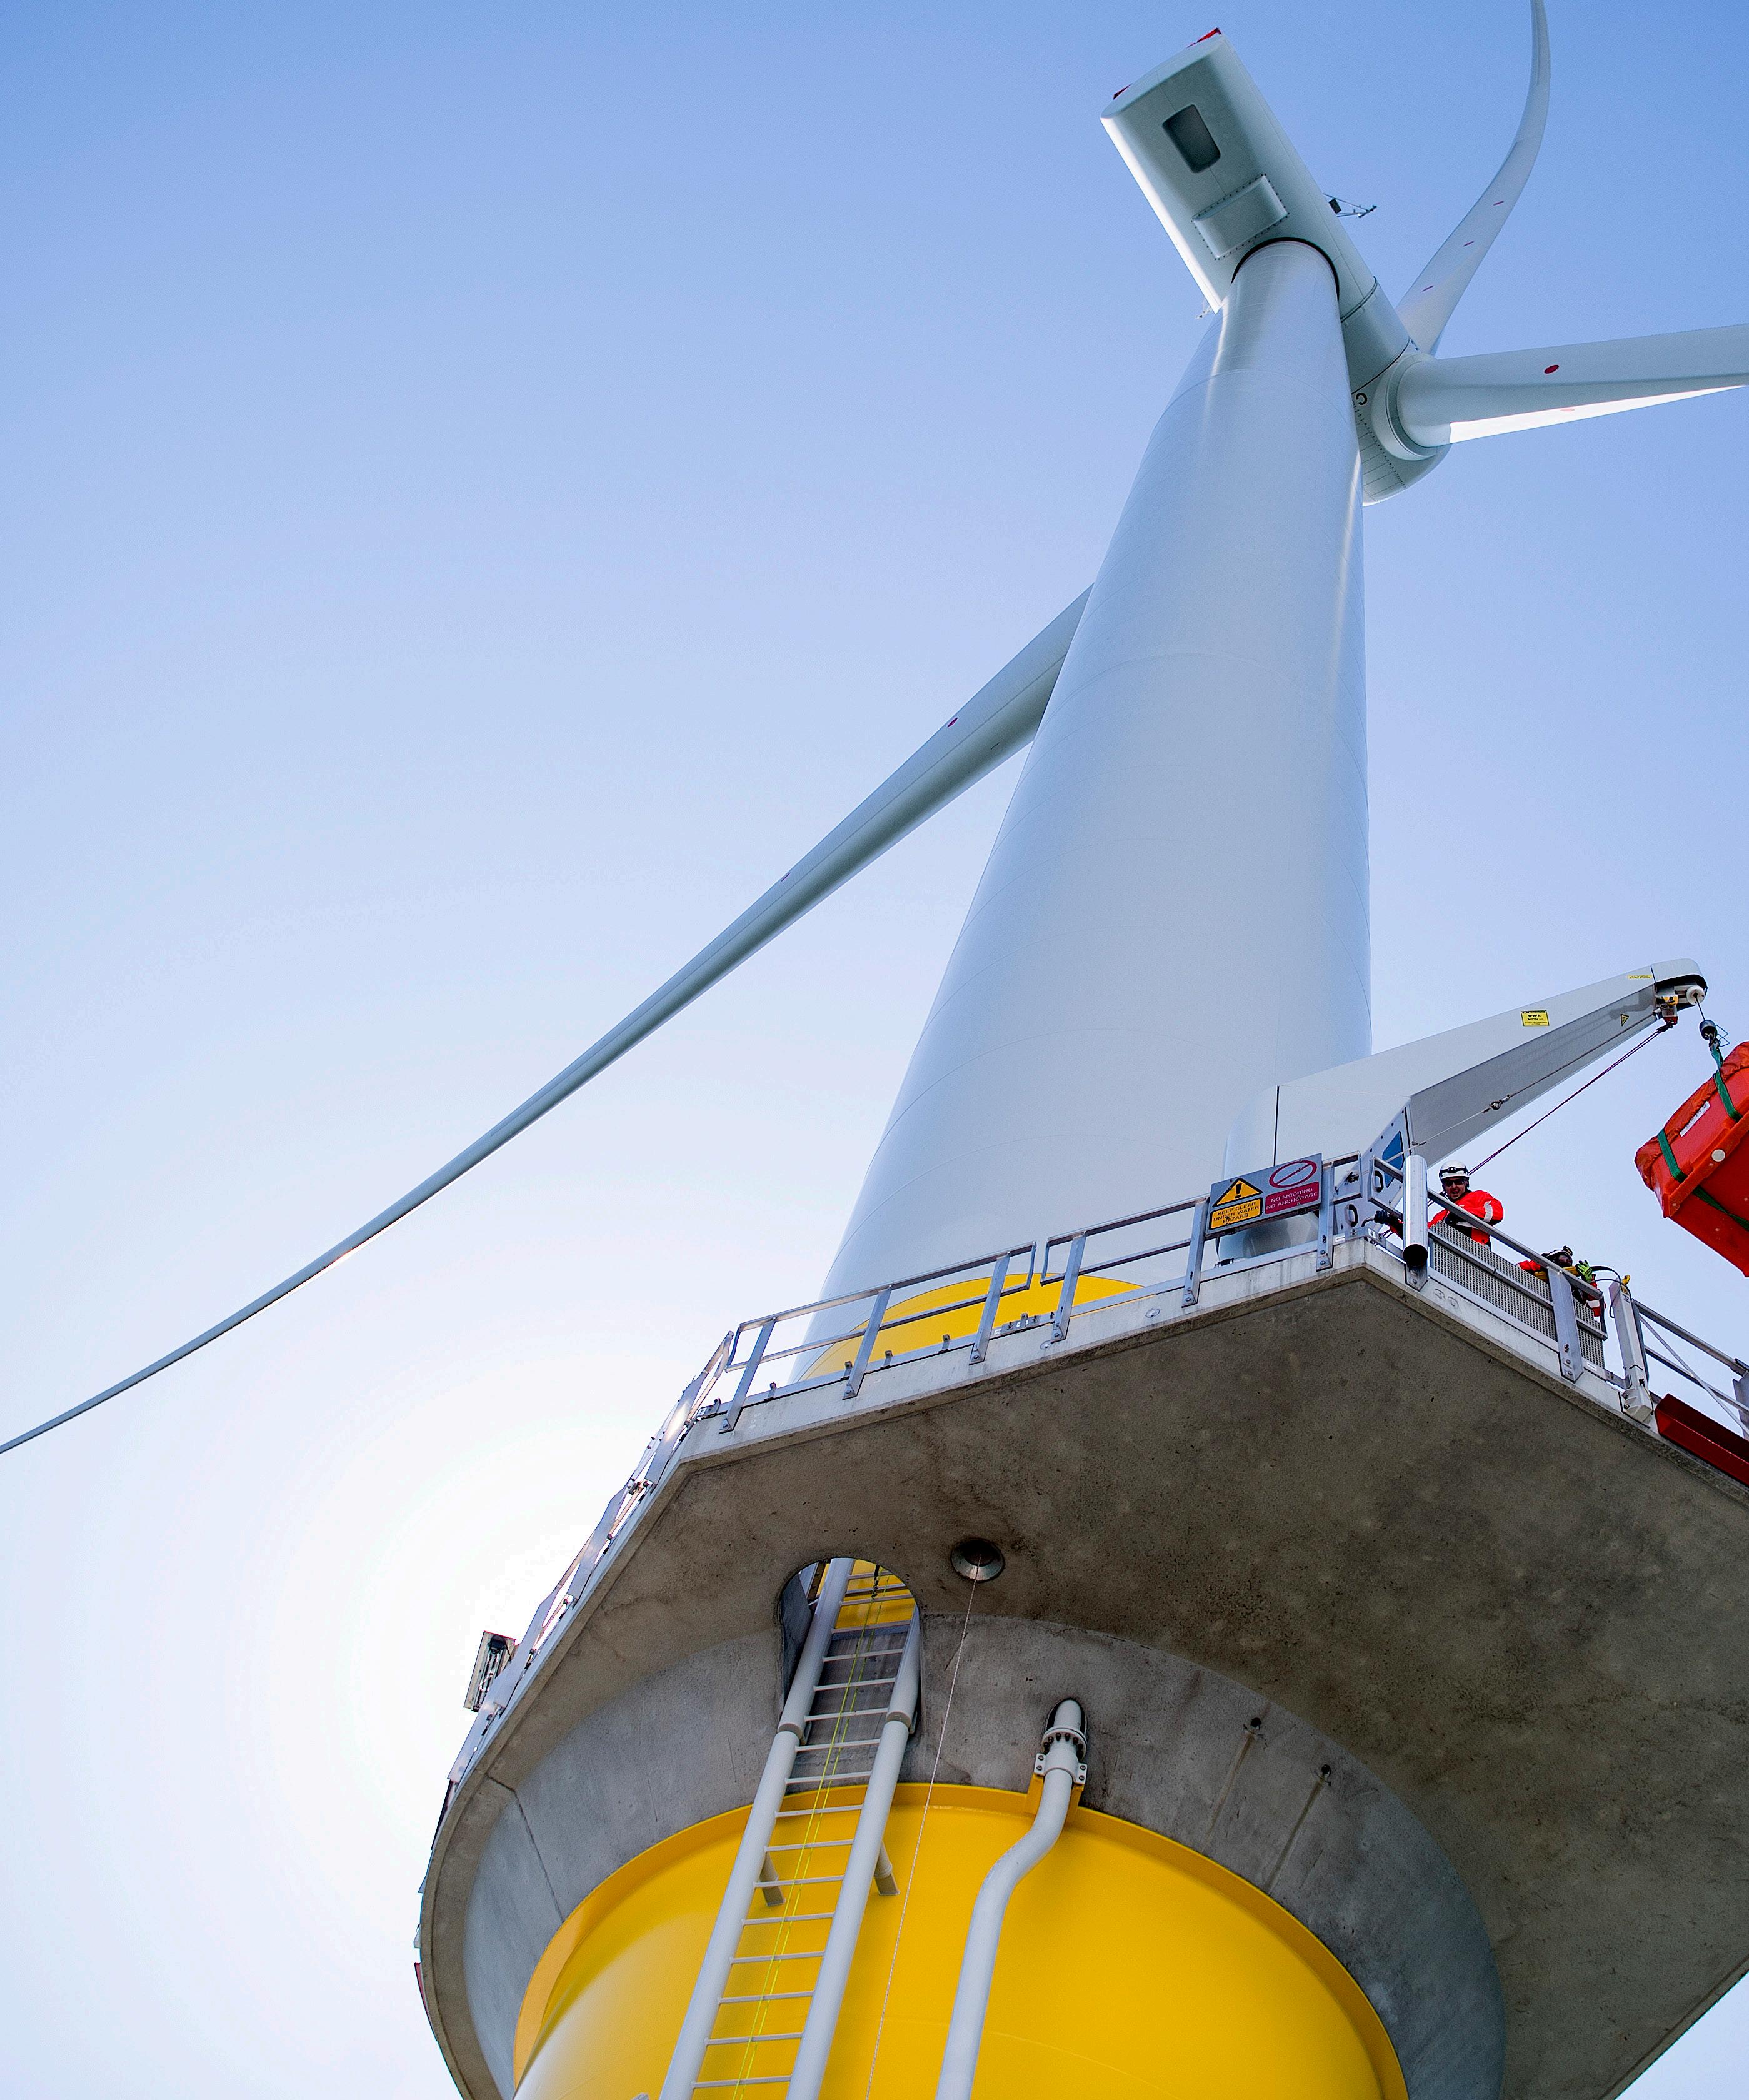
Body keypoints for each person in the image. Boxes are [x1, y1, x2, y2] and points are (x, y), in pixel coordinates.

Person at [1431, 1164, 1503, 1246]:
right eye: (1449, 1183)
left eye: (1458, 1182)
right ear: (1444, 1186)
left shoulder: (1478, 1197)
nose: (1454, 1186)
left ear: (1466, 1182)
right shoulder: (1441, 1216)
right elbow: (1422, 1230)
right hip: (1447, 1255)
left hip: (1476, 1252)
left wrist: (1461, 1214)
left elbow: (1496, 1213)